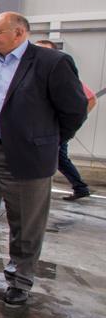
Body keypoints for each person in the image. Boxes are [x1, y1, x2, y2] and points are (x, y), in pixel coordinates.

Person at [0, 13, 88, 305]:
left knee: (25, 222)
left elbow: (75, 110)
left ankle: (19, 280)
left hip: (26, 155)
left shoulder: (51, 63)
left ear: (19, 33)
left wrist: (47, 141)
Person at [36, 39, 96, 200]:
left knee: (59, 160)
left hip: (55, 130)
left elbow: (90, 99)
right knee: (60, 160)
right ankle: (80, 187)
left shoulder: (61, 74)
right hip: (41, 131)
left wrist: (67, 127)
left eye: (44, 50)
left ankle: (80, 187)